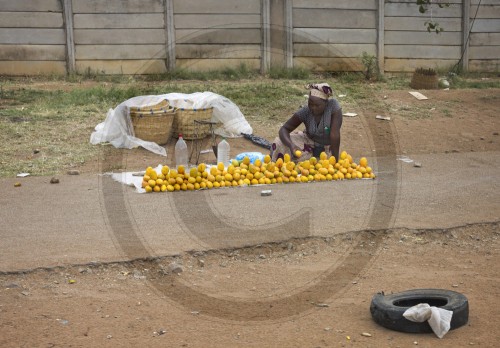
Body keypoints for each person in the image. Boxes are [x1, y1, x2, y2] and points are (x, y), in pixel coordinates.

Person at [271, 83, 342, 162]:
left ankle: (309, 159)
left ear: (326, 103)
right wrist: (291, 145)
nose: (313, 108)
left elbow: (335, 134)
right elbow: (284, 129)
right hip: (308, 142)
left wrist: (336, 161)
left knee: (325, 163)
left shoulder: (333, 107)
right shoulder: (306, 111)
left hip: (327, 146)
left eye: (317, 105)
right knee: (278, 143)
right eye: (310, 104)